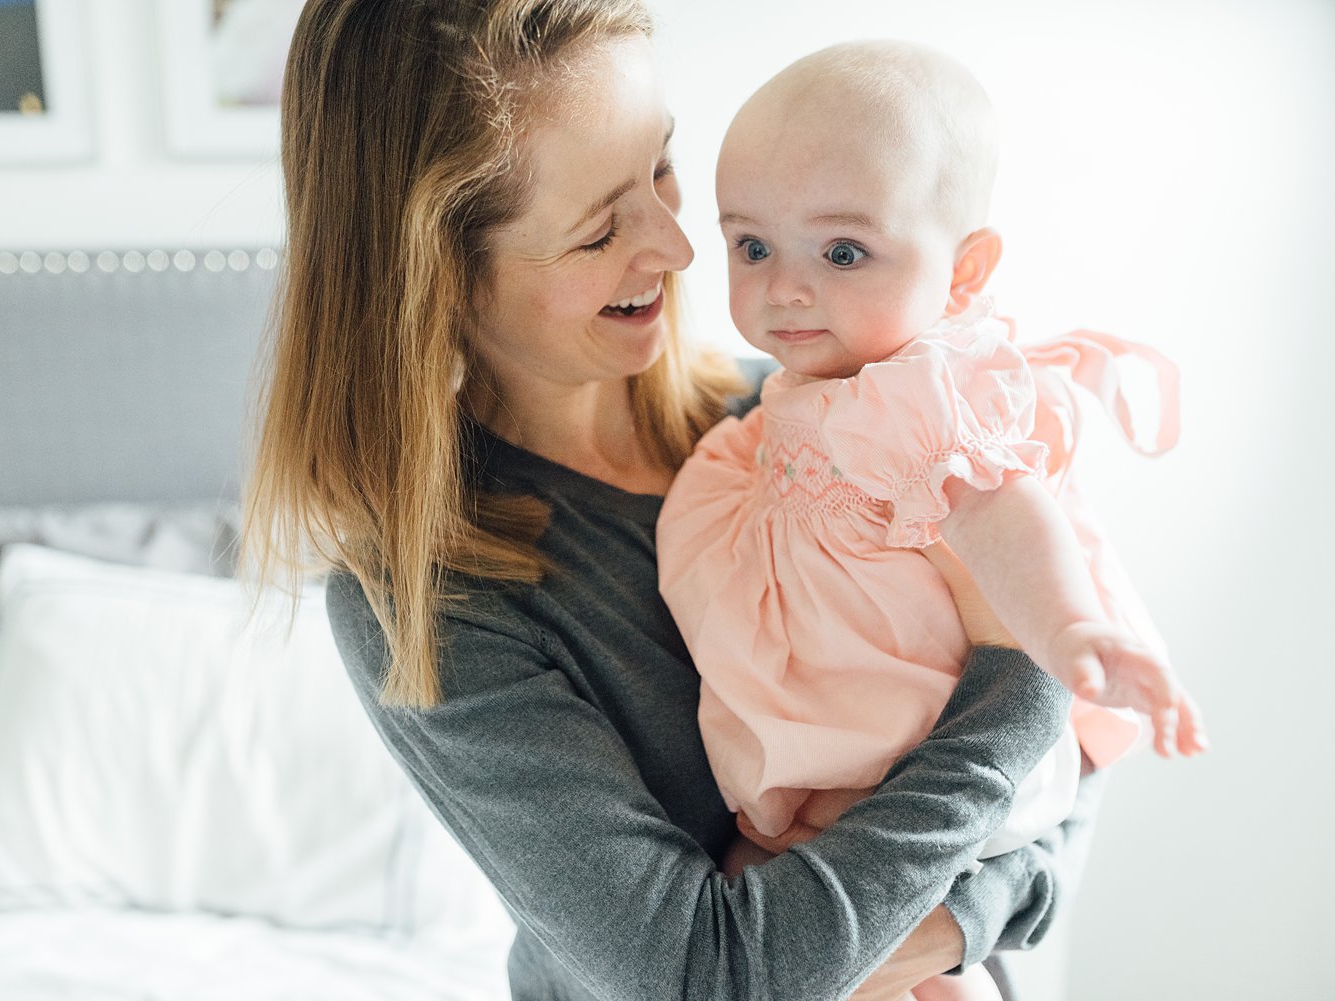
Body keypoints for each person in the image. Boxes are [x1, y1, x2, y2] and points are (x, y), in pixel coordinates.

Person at [244, 3, 1108, 999]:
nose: (679, 245)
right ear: (438, 277)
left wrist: (961, 918)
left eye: (661, 166)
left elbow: (1084, 751)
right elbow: (702, 973)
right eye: (599, 229)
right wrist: (1018, 675)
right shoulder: (431, 597)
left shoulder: (821, 417)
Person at [656, 41, 1209, 1001]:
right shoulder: (797, 399)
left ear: (962, 272)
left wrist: (1071, 629)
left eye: (841, 252)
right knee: (770, 915)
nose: (785, 286)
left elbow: (1006, 508)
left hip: (906, 765)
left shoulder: (928, 393)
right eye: (752, 245)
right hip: (840, 786)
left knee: (824, 936)